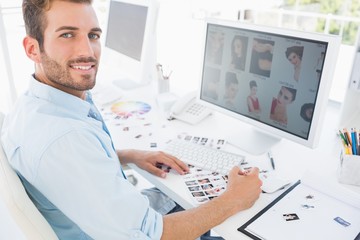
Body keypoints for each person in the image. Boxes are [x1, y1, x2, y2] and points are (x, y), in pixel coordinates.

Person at [0, 1, 262, 239]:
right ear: (33, 48)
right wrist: (234, 199)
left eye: (93, 35)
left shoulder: (33, 106)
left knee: (184, 195)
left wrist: (128, 155)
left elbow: (70, 170)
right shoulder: (64, 139)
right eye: (67, 34)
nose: (87, 50)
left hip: (103, 219)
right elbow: (151, 236)